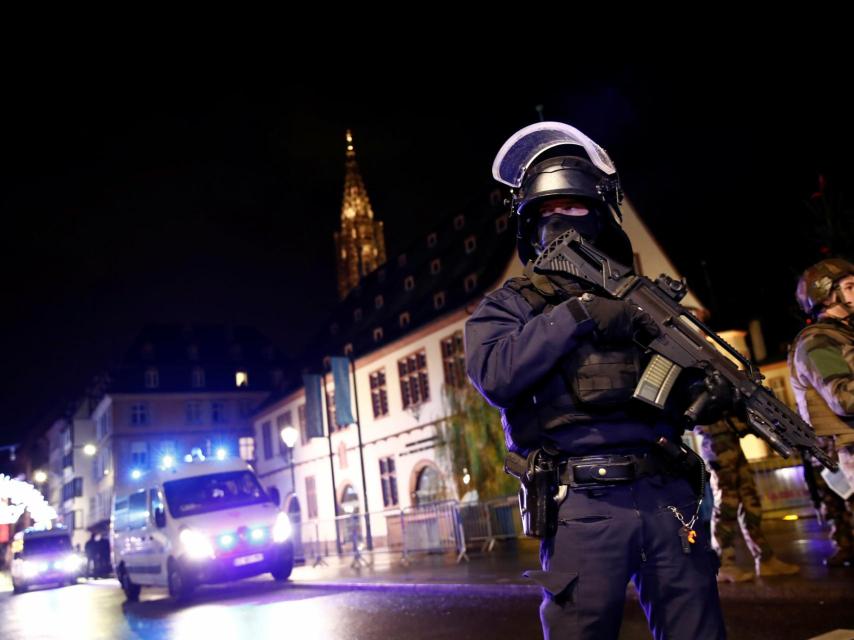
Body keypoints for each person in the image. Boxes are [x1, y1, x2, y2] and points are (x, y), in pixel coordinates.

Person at [465, 122, 726, 639]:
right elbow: (495, 373)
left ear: (603, 216)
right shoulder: (510, 305)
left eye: (575, 207)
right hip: (581, 502)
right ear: (527, 223)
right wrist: (577, 315)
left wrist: (705, 392)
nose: (559, 220)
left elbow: (679, 380)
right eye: (545, 210)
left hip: (668, 492)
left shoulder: (646, 302)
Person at [788, 258, 854, 567]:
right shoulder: (819, 342)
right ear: (827, 297)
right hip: (844, 455)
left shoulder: (842, 336)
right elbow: (843, 398)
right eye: (850, 287)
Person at [696, 417, 800, 581]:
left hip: (732, 440)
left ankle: (765, 558)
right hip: (716, 442)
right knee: (726, 504)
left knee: (750, 501)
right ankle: (724, 564)